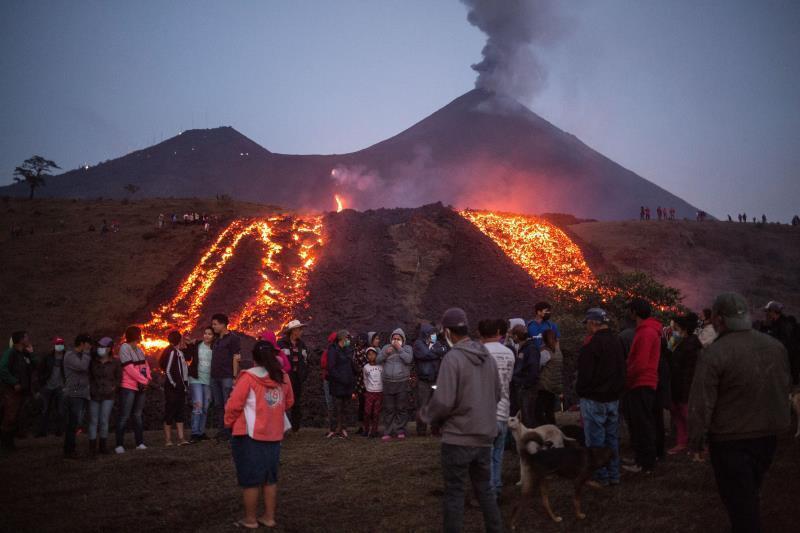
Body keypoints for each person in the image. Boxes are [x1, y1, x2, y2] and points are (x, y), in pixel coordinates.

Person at [689, 293, 791, 533]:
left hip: (730, 440)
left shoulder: (715, 353)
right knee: (750, 491)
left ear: (719, 319)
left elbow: (702, 402)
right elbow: (783, 385)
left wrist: (697, 440)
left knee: (739, 502)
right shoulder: (775, 347)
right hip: (767, 436)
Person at [420, 308, 502, 533]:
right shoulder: (487, 358)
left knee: (455, 493)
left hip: (458, 438)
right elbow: (497, 394)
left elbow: (443, 401)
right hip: (484, 437)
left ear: (447, 332)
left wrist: (426, 415)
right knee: (485, 490)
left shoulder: (453, 358)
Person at [225, 339, 294, 530]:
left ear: (254, 358)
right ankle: (269, 517)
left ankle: (250, 519)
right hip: (274, 434)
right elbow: (289, 402)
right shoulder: (282, 377)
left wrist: (228, 423)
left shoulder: (248, 377)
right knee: (270, 478)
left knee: (251, 480)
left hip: (249, 435)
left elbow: (234, 405)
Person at [576, 308, 626, 486]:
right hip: (613, 399)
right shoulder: (617, 342)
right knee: (612, 438)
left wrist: (581, 391)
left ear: (592, 323)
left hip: (594, 399)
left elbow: (584, 375)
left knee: (596, 440)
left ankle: (601, 476)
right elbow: (623, 370)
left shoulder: (591, 346)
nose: (586, 327)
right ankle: (614, 474)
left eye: (587, 324)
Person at [623, 298, 662, 474]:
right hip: (644, 382)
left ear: (634, 312)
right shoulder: (648, 330)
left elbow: (640, 363)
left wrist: (627, 379)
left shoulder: (646, 332)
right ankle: (642, 459)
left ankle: (645, 464)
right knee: (642, 423)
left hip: (641, 383)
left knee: (642, 424)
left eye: (629, 309)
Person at [479, 318, 515, 502]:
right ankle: (496, 486)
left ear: (480, 333)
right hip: (503, 409)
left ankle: (488, 492)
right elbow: (509, 380)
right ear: (499, 332)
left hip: (484, 412)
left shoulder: (479, 353)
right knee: (497, 454)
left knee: (484, 456)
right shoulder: (509, 353)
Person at [666, 314, 701, 455]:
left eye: (676, 328)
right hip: (677, 385)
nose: (673, 330)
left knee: (686, 416)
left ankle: (696, 444)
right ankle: (682, 442)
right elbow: (667, 354)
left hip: (685, 386)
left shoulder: (691, 344)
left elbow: (686, 368)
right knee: (678, 416)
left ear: (684, 329)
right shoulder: (678, 341)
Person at [115, 326, 152, 454]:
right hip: (129, 387)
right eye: (140, 334)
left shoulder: (139, 349)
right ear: (135, 335)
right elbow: (129, 368)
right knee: (124, 416)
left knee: (137, 415)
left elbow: (146, 365)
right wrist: (144, 380)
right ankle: (119, 444)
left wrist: (148, 377)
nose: (141, 336)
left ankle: (139, 443)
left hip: (140, 387)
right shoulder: (124, 348)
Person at [0, 331, 37, 450]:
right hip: (12, 391)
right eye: (26, 337)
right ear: (21, 340)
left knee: (16, 416)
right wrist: (14, 382)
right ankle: (5, 443)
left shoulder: (24, 354)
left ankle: (10, 443)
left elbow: (36, 365)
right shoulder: (10, 353)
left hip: (23, 390)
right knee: (10, 415)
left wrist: (31, 354)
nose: (28, 339)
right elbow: (2, 369)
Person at [377, 328, 413, 441]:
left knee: (401, 407)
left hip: (402, 381)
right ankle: (388, 431)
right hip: (388, 382)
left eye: (398, 338)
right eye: (394, 338)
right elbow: (378, 360)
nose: (396, 340)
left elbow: (408, 360)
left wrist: (399, 349)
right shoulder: (386, 347)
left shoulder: (407, 348)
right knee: (389, 408)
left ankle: (400, 430)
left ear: (403, 339)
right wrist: (385, 353)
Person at [210, 313, 241, 442]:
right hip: (215, 377)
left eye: (215, 324)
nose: (213, 326)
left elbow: (236, 357)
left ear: (223, 324)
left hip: (227, 376)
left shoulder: (233, 339)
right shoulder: (217, 339)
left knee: (228, 405)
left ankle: (230, 431)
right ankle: (222, 431)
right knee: (219, 405)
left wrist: (234, 376)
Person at [413, 323, 447, 437]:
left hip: (435, 379)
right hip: (423, 380)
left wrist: (435, 351)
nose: (434, 335)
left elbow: (444, 350)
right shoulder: (418, 344)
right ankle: (421, 430)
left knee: (436, 404)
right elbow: (425, 354)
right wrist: (437, 353)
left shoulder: (436, 343)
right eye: (431, 333)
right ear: (425, 333)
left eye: (434, 333)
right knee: (422, 405)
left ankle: (435, 429)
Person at [88, 337, 120, 455]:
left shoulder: (115, 362)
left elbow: (118, 377)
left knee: (104, 420)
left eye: (103, 346)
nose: (100, 348)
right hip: (94, 394)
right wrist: (91, 388)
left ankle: (103, 446)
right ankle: (92, 447)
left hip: (108, 395)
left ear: (109, 348)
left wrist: (113, 387)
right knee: (93, 421)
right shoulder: (93, 361)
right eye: (99, 346)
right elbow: (89, 376)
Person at [63, 334, 93, 458]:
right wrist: (86, 353)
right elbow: (82, 366)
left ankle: (70, 448)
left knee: (76, 422)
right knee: (73, 422)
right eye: (88, 343)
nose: (90, 346)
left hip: (83, 393)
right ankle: (69, 450)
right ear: (82, 343)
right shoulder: (70, 355)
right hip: (74, 393)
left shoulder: (83, 355)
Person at [277, 319, 309, 432]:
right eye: (300, 329)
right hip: (285, 377)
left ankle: (295, 427)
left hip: (297, 377)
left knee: (296, 401)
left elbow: (306, 360)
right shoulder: (281, 344)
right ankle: (281, 426)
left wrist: (303, 374)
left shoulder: (302, 345)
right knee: (282, 400)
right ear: (293, 331)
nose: (301, 331)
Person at [160, 331, 190, 447]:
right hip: (173, 388)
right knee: (170, 411)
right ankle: (168, 440)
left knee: (180, 411)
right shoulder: (172, 351)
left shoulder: (179, 352)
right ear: (179, 340)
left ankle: (181, 438)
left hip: (181, 387)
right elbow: (167, 370)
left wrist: (184, 385)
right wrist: (174, 384)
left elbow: (184, 369)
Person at [186, 326, 215, 443]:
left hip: (208, 381)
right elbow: (188, 356)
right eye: (205, 333)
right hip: (196, 379)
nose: (207, 336)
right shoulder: (198, 345)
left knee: (205, 407)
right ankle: (194, 433)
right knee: (198, 405)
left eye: (210, 334)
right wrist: (189, 344)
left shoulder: (215, 348)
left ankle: (201, 432)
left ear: (214, 336)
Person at [760, 300, 799, 385]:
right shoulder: (774, 323)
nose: (766, 313)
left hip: (789, 357)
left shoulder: (785, 324)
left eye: (768, 311)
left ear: (773, 312)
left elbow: (786, 343)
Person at [35, 336, 67, 438]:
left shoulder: (67, 357)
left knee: (60, 410)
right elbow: (40, 371)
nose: (59, 346)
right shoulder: (47, 357)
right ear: (54, 345)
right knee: (44, 410)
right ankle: (42, 432)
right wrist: (40, 386)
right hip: (47, 387)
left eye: (61, 344)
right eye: (57, 344)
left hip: (61, 387)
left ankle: (59, 431)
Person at [510, 324, 540, 428]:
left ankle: (531, 436)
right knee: (523, 416)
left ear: (516, 336)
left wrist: (525, 384)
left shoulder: (531, 349)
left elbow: (533, 369)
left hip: (528, 389)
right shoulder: (523, 348)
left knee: (528, 418)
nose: (512, 338)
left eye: (512, 335)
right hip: (522, 387)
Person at [327, 330, 355, 438]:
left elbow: (350, 365)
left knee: (345, 408)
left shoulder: (347, 350)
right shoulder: (333, 350)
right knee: (337, 408)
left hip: (347, 384)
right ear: (342, 338)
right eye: (347, 338)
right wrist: (342, 379)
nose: (349, 340)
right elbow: (331, 368)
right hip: (337, 385)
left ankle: (343, 428)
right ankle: (335, 430)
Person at [536, 329, 563, 425]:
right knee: (550, 410)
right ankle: (552, 428)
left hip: (545, 385)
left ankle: (546, 429)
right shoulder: (558, 351)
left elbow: (537, 365)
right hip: (554, 385)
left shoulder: (545, 352)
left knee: (540, 411)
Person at [362, 347, 383, 438]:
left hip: (379, 392)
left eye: (373, 354)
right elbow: (365, 379)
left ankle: (374, 431)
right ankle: (366, 430)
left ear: (376, 355)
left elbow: (383, 378)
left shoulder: (381, 366)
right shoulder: (366, 367)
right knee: (367, 412)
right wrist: (367, 388)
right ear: (367, 357)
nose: (371, 356)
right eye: (369, 354)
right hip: (370, 392)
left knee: (376, 413)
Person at [320, 331, 338, 438]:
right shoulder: (328, 352)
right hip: (330, 379)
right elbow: (323, 364)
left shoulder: (329, 352)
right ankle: (333, 428)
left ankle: (334, 428)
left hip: (332, 379)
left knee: (332, 404)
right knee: (331, 404)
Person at [352, 333, 370, 435]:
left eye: (363, 339)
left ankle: (368, 426)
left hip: (367, 379)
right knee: (360, 404)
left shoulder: (368, 351)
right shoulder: (355, 351)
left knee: (367, 404)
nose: (361, 341)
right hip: (358, 380)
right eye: (359, 339)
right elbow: (353, 364)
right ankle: (361, 426)